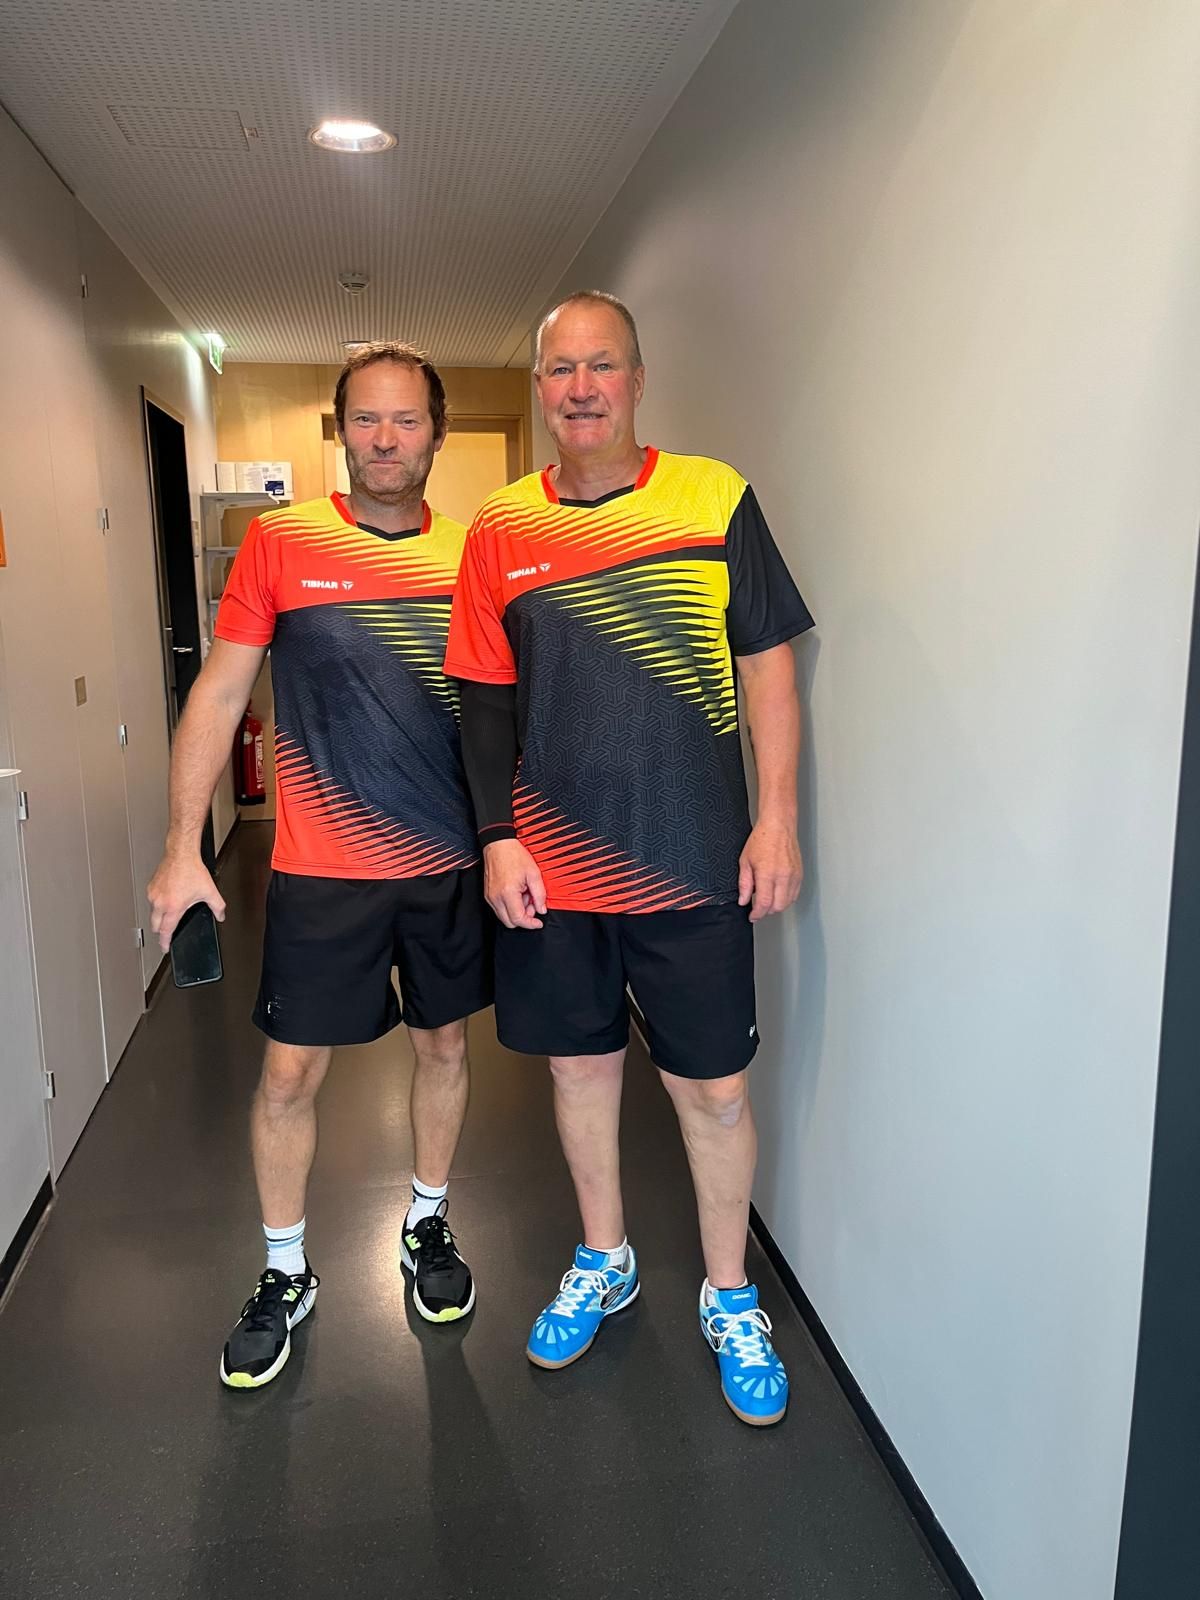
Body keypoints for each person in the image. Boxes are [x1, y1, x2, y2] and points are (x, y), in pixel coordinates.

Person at [445, 291, 813, 1427]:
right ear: (540, 388)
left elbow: (767, 665)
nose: (582, 387)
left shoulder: (714, 497)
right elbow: (482, 700)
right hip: (553, 867)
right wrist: (496, 838)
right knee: (579, 1071)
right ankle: (604, 1258)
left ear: (638, 380)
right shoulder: (500, 528)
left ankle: (730, 1293)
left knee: (715, 1090)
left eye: (602, 365)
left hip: (696, 858)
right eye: (561, 369)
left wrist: (778, 816)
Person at [149, 342, 490, 1389]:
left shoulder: (473, 553)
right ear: (343, 431)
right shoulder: (281, 541)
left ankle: (426, 1223)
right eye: (366, 420)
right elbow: (220, 691)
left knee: (444, 1048)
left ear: (436, 432)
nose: (386, 439)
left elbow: (507, 708)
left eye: (407, 419)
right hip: (321, 866)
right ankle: (285, 1270)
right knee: (290, 1072)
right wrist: (181, 846)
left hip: (446, 864)